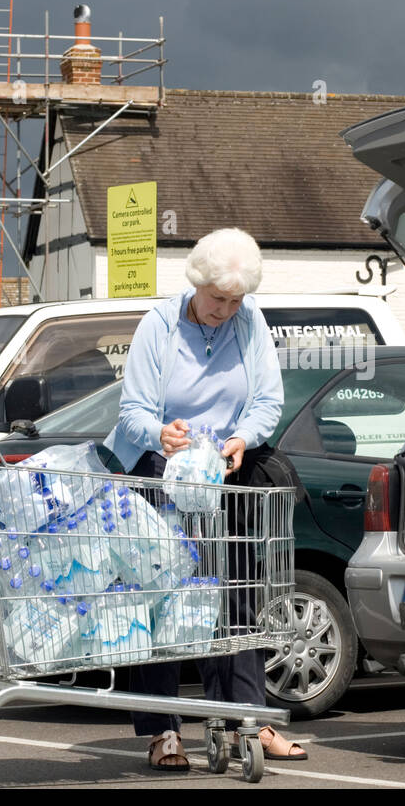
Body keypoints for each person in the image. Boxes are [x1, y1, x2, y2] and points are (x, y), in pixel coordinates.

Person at [104, 227, 309, 770]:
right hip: (162, 470)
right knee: (165, 598)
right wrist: (161, 434)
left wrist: (244, 438)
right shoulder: (159, 325)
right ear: (197, 284)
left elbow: (268, 400)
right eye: (218, 298)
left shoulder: (249, 321)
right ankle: (163, 731)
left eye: (235, 300)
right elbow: (133, 412)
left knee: (236, 597)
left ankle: (248, 720)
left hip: (226, 471)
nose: (226, 309)